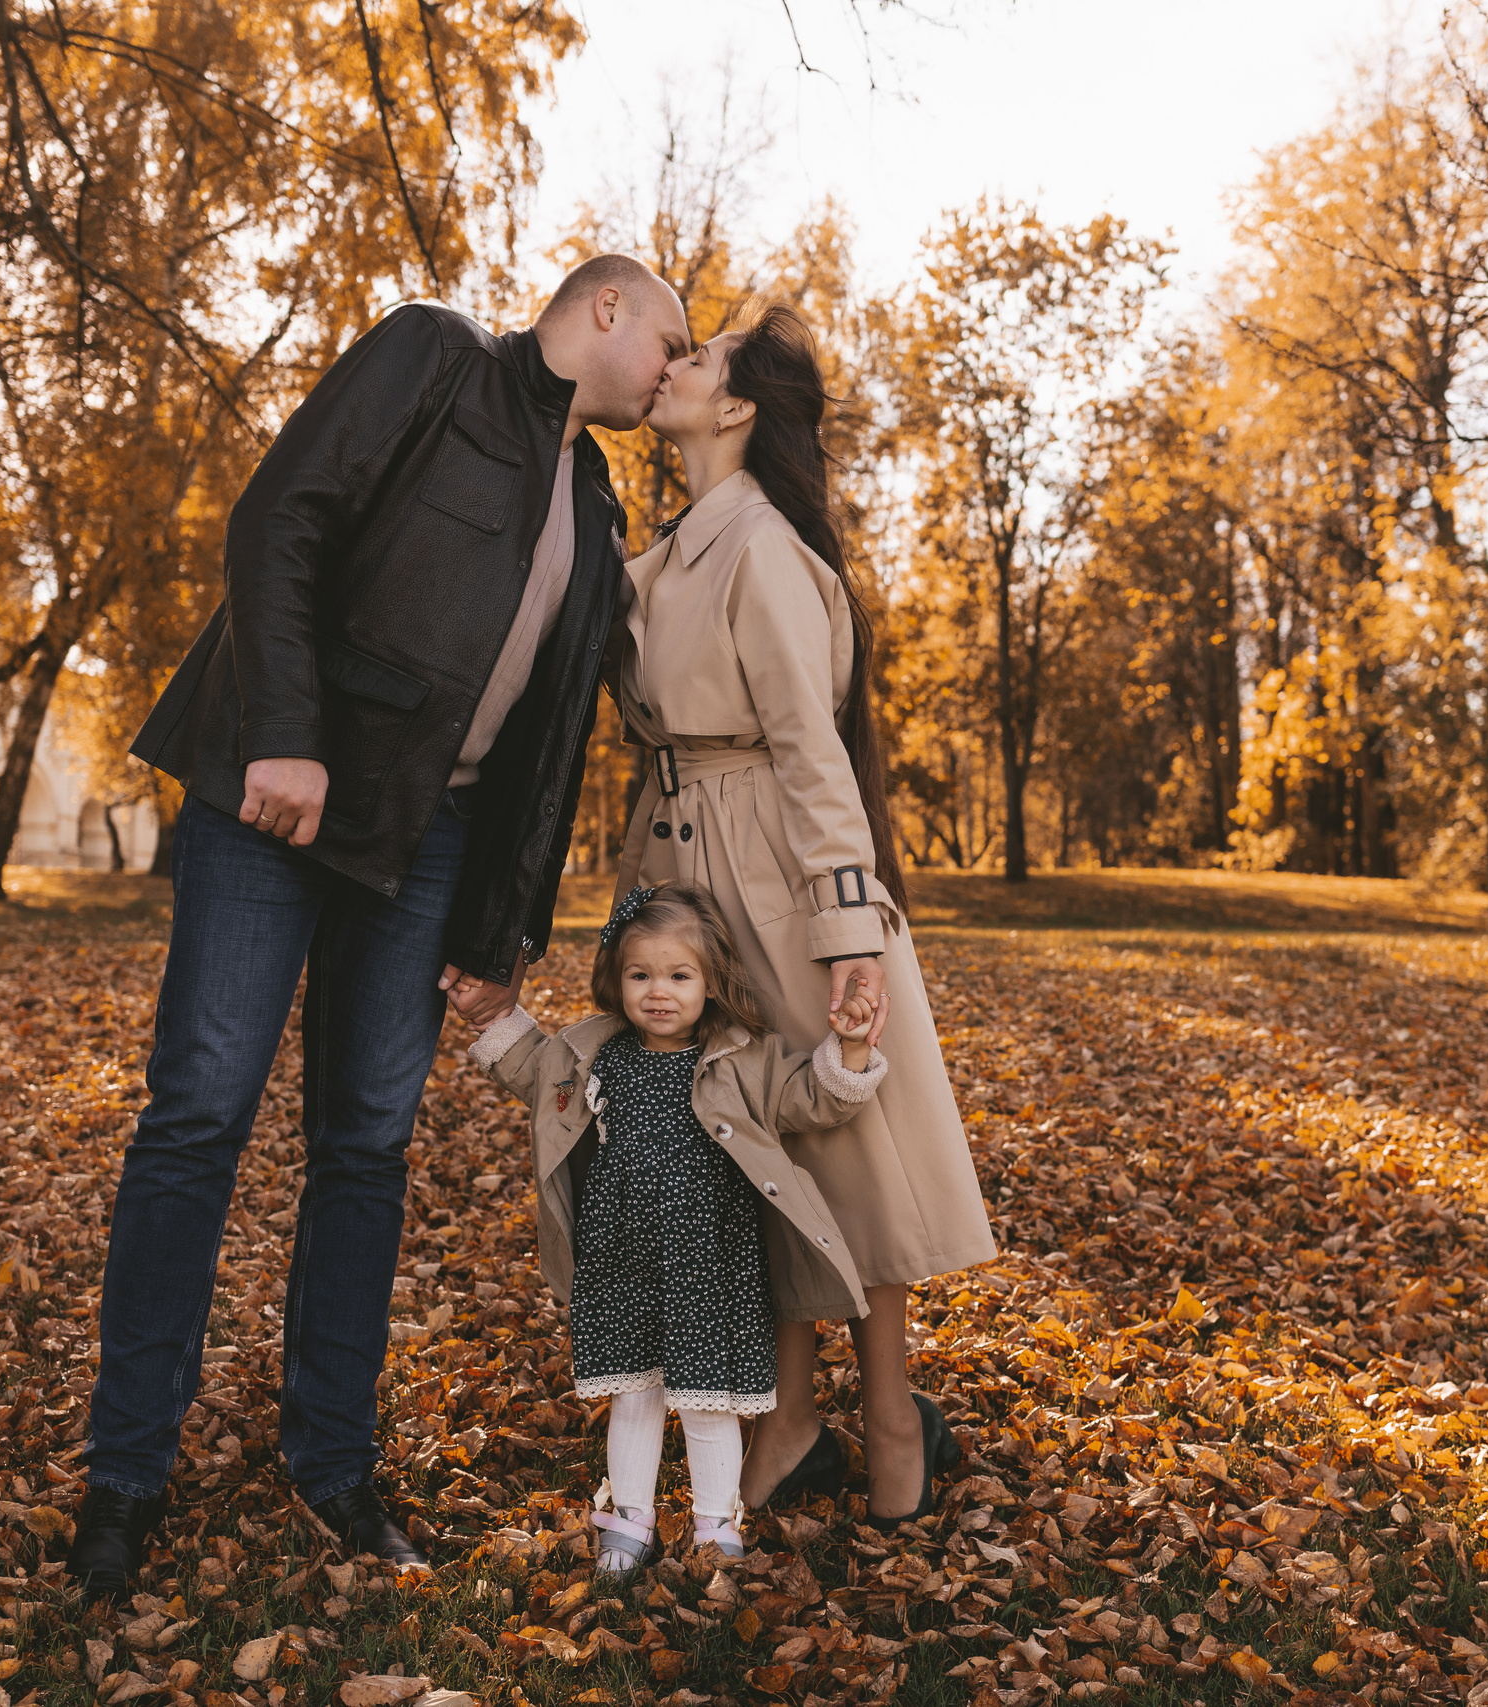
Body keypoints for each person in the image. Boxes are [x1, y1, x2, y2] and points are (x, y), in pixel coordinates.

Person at [64, 256, 693, 1600]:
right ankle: (126, 1476)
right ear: (603, 312)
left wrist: (502, 918)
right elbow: (281, 519)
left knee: (366, 1143)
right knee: (198, 1114)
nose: (672, 368)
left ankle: (332, 1457)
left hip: (430, 842)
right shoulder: (433, 356)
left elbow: (546, 738)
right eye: (668, 339)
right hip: (277, 802)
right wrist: (282, 736)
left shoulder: (592, 492)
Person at [610, 302, 999, 1529]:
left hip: (773, 871)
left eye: (700, 357)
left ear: (736, 408)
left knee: (848, 1158)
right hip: (687, 866)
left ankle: (890, 1424)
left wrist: (845, 932)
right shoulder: (681, 546)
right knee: (745, 1147)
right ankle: (790, 1418)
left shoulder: (762, 548)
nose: (671, 366)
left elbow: (809, 748)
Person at [464, 885, 885, 1568]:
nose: (658, 992)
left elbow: (813, 1099)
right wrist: (493, 1013)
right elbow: (534, 1072)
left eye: (679, 975)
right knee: (633, 1395)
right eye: (641, 974)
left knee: (706, 1401)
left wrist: (853, 1047)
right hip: (621, 1259)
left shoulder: (742, 1058)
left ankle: (716, 1524)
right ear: (617, 977)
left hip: (708, 1265)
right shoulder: (594, 1053)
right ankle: (629, 1522)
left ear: (712, 980)